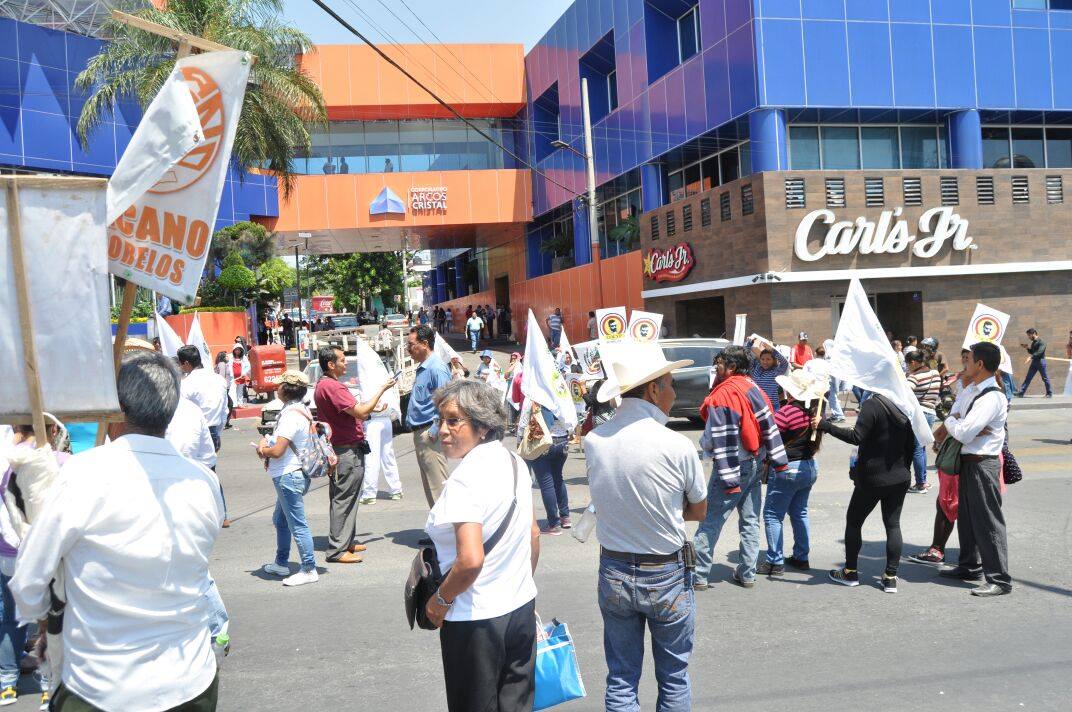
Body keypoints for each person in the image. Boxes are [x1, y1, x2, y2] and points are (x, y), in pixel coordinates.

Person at [11, 351, 224, 711]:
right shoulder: (203, 480)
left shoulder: (82, 475)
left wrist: (48, 618)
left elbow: (29, 580)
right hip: (192, 683)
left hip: (102, 689)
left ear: (116, 409)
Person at [584, 344, 706, 711]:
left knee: (621, 679)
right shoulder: (677, 444)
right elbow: (698, 509)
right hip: (666, 572)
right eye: (670, 385)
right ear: (653, 389)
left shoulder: (595, 440)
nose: (674, 393)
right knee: (673, 678)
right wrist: (663, 507)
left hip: (615, 570)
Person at [423, 379, 540, 712]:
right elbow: (532, 535)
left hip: (475, 620)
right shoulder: (515, 463)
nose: (442, 430)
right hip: (519, 608)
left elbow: (470, 560)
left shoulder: (464, 479)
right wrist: (517, 584)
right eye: (440, 419)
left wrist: (440, 601)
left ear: (483, 425)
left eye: (453, 420)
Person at [692, 345, 787, 589]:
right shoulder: (752, 386)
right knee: (750, 519)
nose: (716, 368)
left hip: (733, 465)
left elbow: (717, 439)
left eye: (720, 364)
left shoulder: (724, 395)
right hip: (755, 462)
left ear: (732, 367)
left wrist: (704, 446)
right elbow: (768, 423)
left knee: (710, 520)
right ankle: (747, 573)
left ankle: (699, 575)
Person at [933, 342, 1012, 597]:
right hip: (967, 463)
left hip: (982, 463)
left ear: (980, 364)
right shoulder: (971, 390)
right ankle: (969, 566)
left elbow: (964, 431)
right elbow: (955, 414)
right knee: (966, 518)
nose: (964, 362)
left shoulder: (991, 396)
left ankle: (999, 579)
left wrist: (955, 422)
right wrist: (957, 421)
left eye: (969, 359)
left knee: (988, 521)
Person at [818, 390, 915, 593]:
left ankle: (850, 572)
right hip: (899, 477)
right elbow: (912, 445)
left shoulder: (873, 404)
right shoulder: (904, 402)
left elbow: (856, 436)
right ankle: (890, 577)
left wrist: (825, 426)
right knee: (893, 525)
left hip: (873, 478)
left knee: (854, 521)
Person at [314, 346, 394, 564]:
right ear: (331, 365)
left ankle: (345, 540)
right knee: (343, 498)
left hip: (346, 447)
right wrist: (382, 388)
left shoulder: (327, 385)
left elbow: (353, 412)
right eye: (341, 360)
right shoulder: (332, 387)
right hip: (345, 450)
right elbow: (359, 411)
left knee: (348, 496)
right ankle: (337, 550)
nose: (345, 363)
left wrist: (371, 409)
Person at [760, 370, 826, 576]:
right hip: (809, 465)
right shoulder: (815, 411)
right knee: (799, 512)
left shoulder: (787, 412)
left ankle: (774, 561)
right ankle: (801, 556)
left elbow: (768, 435)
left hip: (788, 467)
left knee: (772, 515)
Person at [257, 371, 320, 586]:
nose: (277, 388)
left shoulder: (291, 415)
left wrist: (263, 448)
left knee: (297, 525)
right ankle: (281, 562)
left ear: (287, 388)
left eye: (280, 385)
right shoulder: (298, 410)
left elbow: (277, 452)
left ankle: (309, 568)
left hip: (288, 475)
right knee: (280, 520)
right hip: (292, 474)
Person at [177, 345, 230, 527]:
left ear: (185, 363)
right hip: (214, 429)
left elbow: (181, 411)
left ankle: (205, 514)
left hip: (194, 431)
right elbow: (225, 410)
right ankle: (222, 514)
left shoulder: (187, 384)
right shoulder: (218, 380)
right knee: (210, 472)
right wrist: (218, 432)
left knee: (191, 473)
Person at [406, 326, 453, 506]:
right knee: (430, 484)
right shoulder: (424, 367)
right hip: (421, 432)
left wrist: (434, 430)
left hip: (429, 433)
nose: (408, 349)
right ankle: (438, 532)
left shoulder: (436, 368)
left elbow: (447, 402)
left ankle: (447, 531)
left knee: (438, 485)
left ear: (425, 344)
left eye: (411, 345)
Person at [527, 404, 571, 534]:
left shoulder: (536, 394)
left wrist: (520, 439)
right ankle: (565, 516)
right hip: (562, 438)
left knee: (546, 482)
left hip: (542, 440)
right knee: (558, 478)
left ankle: (554, 523)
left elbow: (525, 416)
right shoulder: (559, 393)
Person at [906, 350, 941, 494]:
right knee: (921, 448)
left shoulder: (914, 377)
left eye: (908, 364)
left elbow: (905, 393)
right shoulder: (935, 374)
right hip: (931, 413)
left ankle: (921, 483)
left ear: (913, 363)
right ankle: (923, 481)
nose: (908, 367)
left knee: (916, 449)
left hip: (919, 414)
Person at [748, 335, 789, 411]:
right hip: (757, 405)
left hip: (772, 406)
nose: (765, 362)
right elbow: (747, 358)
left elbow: (785, 363)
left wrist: (773, 350)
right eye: (762, 359)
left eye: (768, 359)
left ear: (773, 360)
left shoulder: (776, 371)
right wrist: (750, 343)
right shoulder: (756, 369)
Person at [1016, 328, 1052, 397]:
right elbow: (1032, 352)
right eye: (1028, 336)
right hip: (1034, 362)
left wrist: (1030, 357)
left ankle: (1049, 393)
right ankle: (1021, 393)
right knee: (1028, 377)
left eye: (1029, 335)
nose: (1028, 337)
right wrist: (1027, 348)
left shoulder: (1042, 342)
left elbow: (1040, 352)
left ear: (1034, 333)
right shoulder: (1033, 342)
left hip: (1041, 362)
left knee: (1045, 378)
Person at [820, 339, 845, 422]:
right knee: (832, 399)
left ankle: (839, 415)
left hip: (831, 382)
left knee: (832, 399)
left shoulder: (831, 359)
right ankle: (836, 414)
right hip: (831, 382)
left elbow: (835, 374)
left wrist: (837, 386)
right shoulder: (834, 357)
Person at [214, 351, 235, 429]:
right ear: (222, 357)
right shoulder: (222, 364)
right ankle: (224, 422)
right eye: (226, 356)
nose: (228, 357)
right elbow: (221, 377)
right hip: (224, 389)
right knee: (229, 404)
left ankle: (225, 422)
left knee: (227, 404)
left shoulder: (221, 364)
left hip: (225, 388)